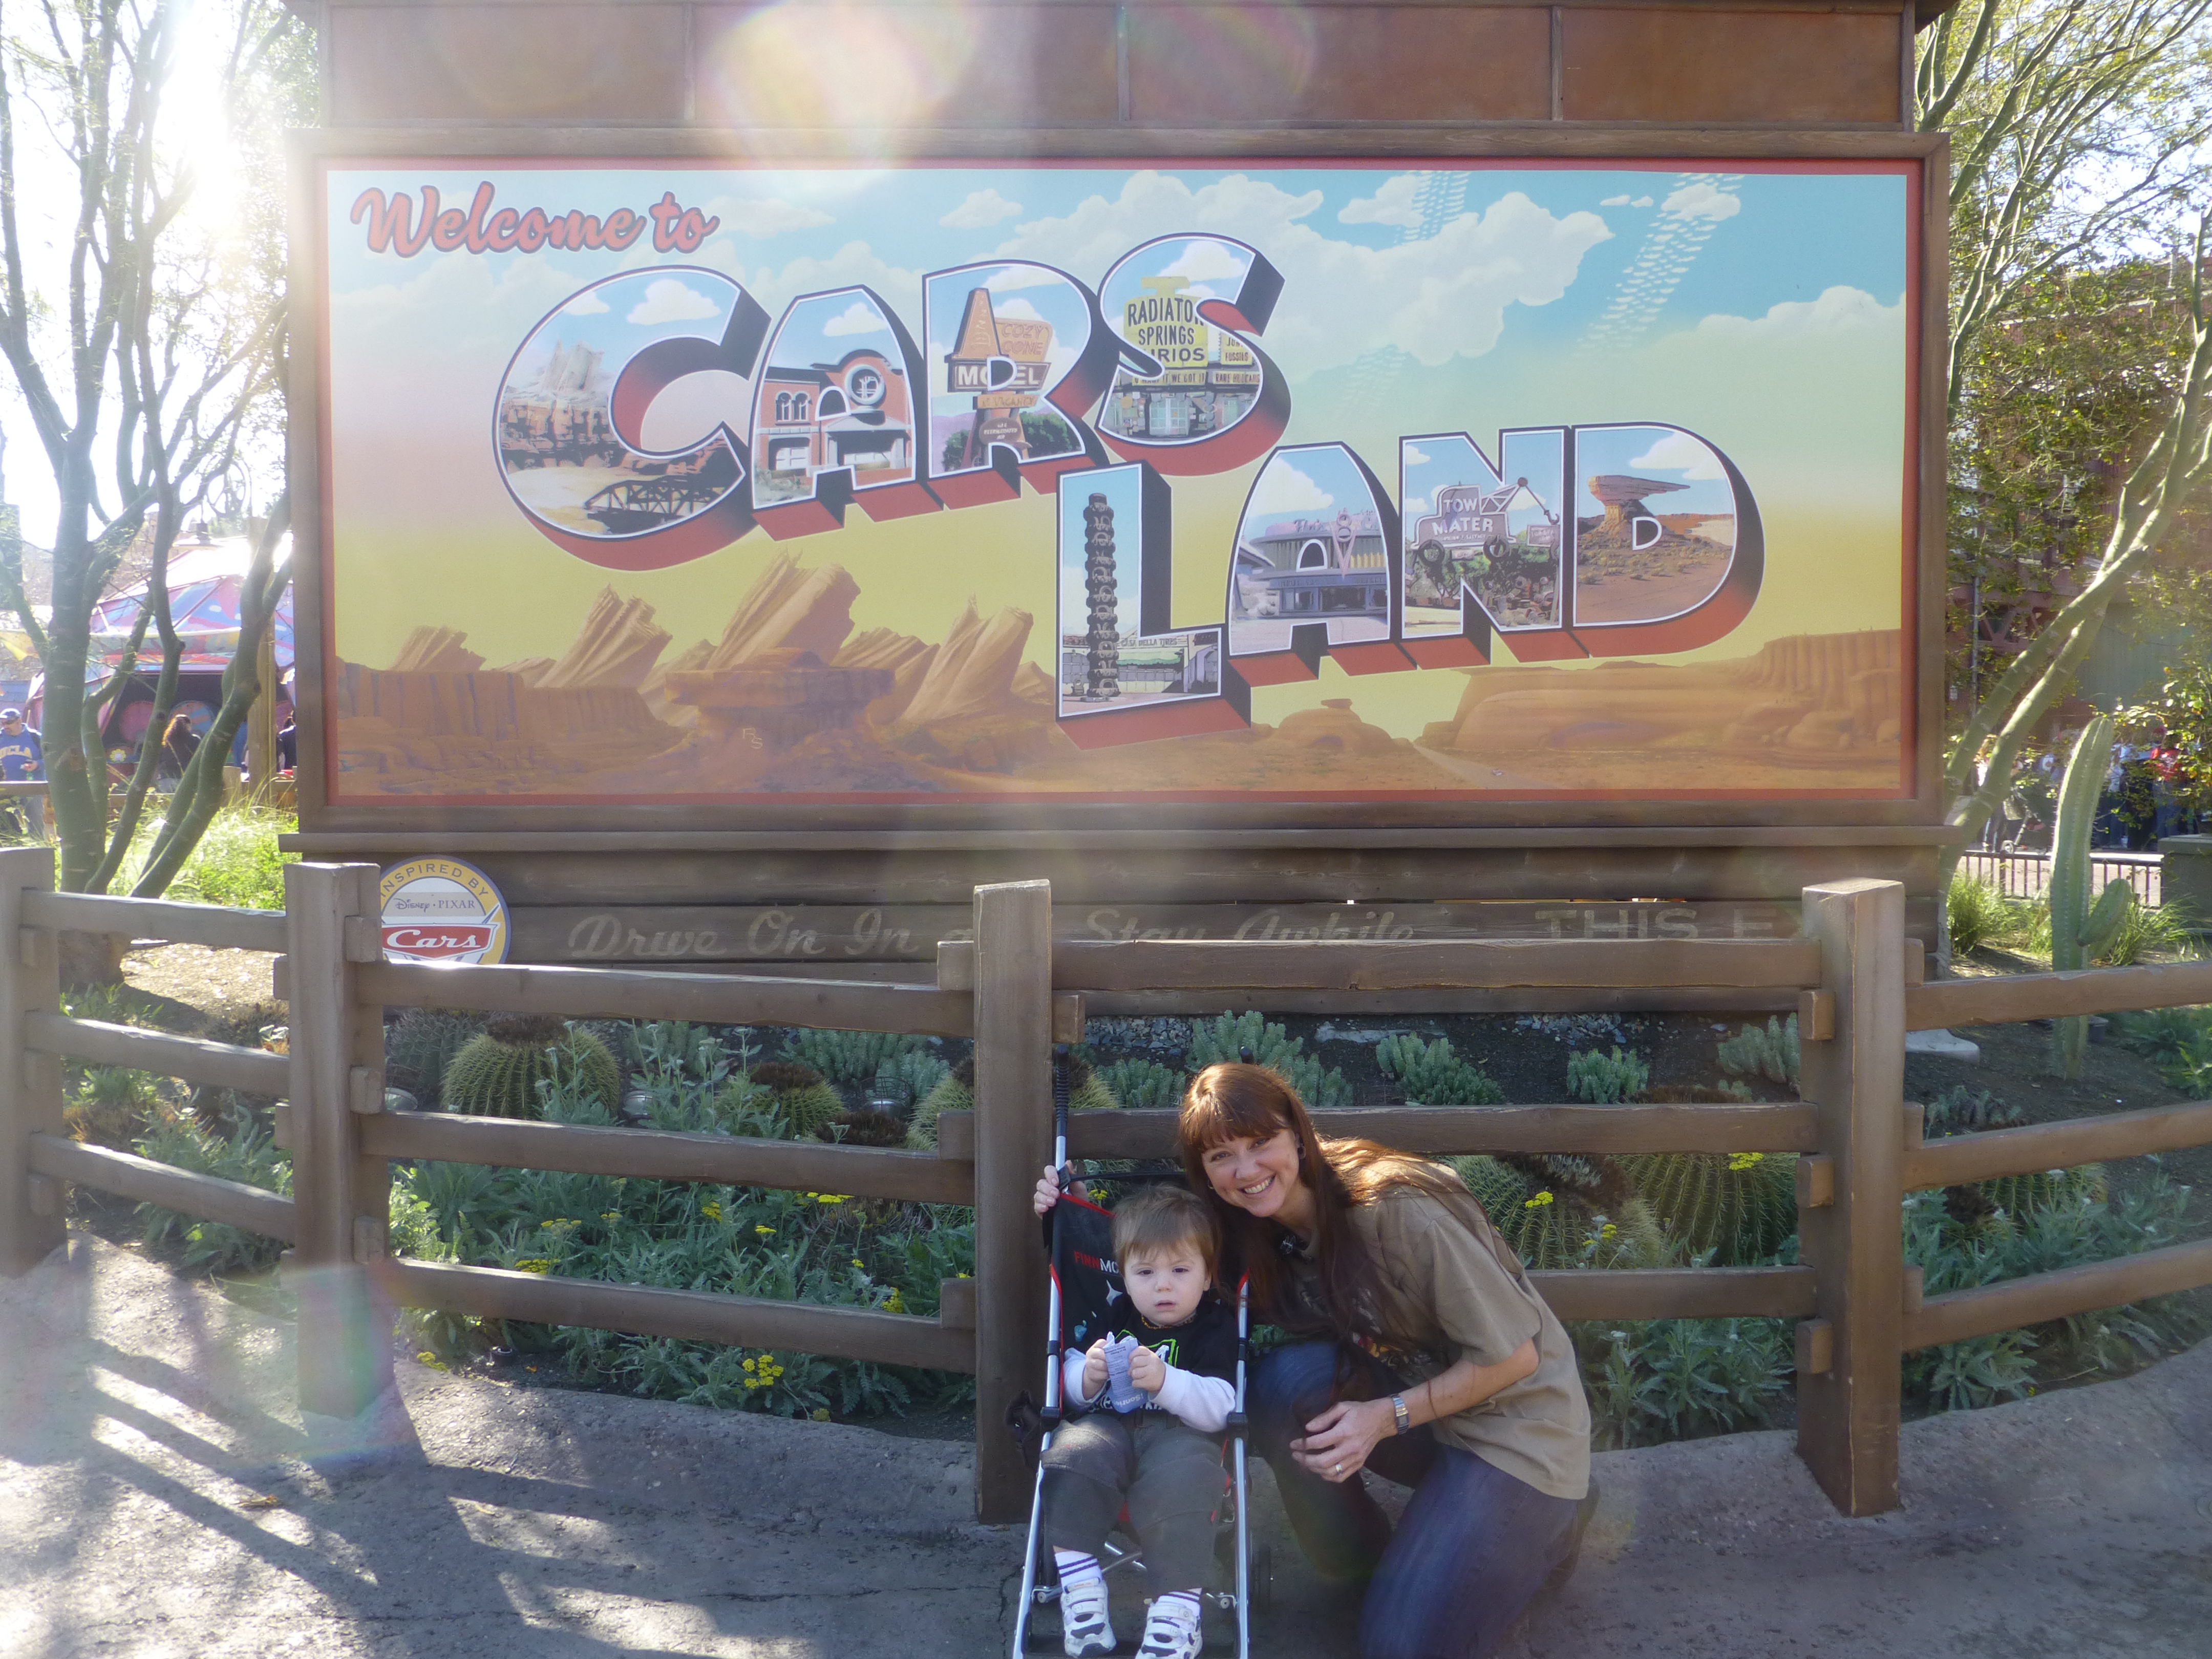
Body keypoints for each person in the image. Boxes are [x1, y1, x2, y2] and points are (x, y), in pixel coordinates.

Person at [1178, 1062, 1594, 1659]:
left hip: (1516, 1432)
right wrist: (1070, 1206)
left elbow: (1514, 1359)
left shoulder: (1399, 1209)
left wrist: (1384, 1417)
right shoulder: (1255, 1226)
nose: (1246, 1170)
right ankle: (1375, 1572)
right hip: (1429, 1410)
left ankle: (1550, 1527)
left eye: (1260, 1142)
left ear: (1298, 1134)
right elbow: (1157, 1261)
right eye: (1222, 1156)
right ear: (1206, 1173)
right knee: (1279, 1386)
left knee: (1400, 1648)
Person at [1025, 1175, 1240, 1659]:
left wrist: (1167, 1382)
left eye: (1180, 1270)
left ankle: (1177, 1613)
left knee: (1191, 1476)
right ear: (1123, 1276)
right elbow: (1070, 1387)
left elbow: (1224, 1406)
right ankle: (1082, 1590)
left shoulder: (1215, 1325)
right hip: (1108, 1430)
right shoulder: (1117, 1314)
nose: (1163, 1285)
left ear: (1207, 1276)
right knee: (1070, 1453)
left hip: (1181, 1439)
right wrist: (1087, 1375)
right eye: (1145, 1272)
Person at [0, 708, 42, 837]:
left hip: (32, 787)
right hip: (6, 789)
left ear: (19, 721)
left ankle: (38, 846)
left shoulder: (35, 737)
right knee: (6, 825)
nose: (5, 726)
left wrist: (38, 764)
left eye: (9, 722)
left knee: (35, 822)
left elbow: (51, 759)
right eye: (3, 723)